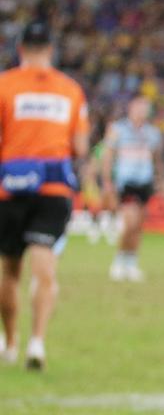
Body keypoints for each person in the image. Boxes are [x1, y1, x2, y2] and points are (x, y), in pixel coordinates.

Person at [0, 21, 90, 370]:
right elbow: (80, 147)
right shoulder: (70, 90)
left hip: (10, 189)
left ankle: (10, 343)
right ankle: (37, 343)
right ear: (50, 51)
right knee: (45, 271)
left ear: (21, 49)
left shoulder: (5, 85)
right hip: (53, 189)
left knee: (9, 271)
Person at [101, 94, 164, 283]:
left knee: (138, 225)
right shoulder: (117, 130)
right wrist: (107, 182)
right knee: (129, 223)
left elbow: (157, 160)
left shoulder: (153, 133)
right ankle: (119, 261)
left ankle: (131, 263)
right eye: (138, 107)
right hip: (125, 183)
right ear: (130, 108)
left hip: (144, 183)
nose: (141, 111)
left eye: (145, 108)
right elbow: (107, 156)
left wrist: (159, 180)